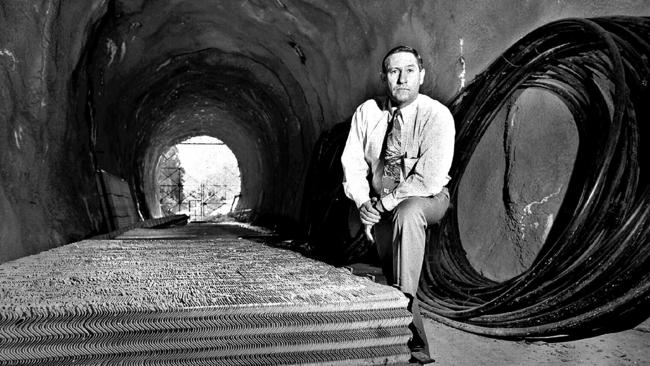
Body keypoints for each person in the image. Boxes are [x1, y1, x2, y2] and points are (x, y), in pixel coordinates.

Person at [340, 45, 454, 364]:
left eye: (409, 71)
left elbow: (428, 179)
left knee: (408, 210)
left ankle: (410, 336)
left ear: (422, 75)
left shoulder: (436, 116)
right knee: (393, 266)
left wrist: (384, 203)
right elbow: (352, 163)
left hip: (429, 199)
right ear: (384, 77)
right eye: (394, 72)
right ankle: (405, 329)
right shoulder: (368, 113)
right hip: (380, 203)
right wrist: (364, 203)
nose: (402, 78)